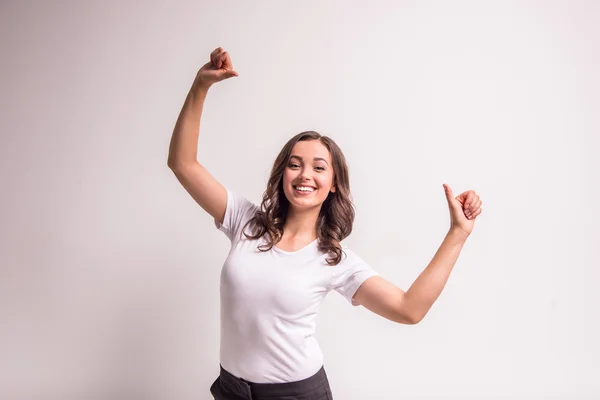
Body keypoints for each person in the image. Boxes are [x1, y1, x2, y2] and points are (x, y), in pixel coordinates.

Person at [167, 47, 483, 400]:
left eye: (319, 167)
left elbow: (410, 309)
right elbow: (183, 164)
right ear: (281, 172)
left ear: (333, 183)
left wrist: (458, 233)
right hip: (232, 391)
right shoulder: (245, 220)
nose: (305, 175)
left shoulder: (335, 260)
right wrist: (200, 86)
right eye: (295, 163)